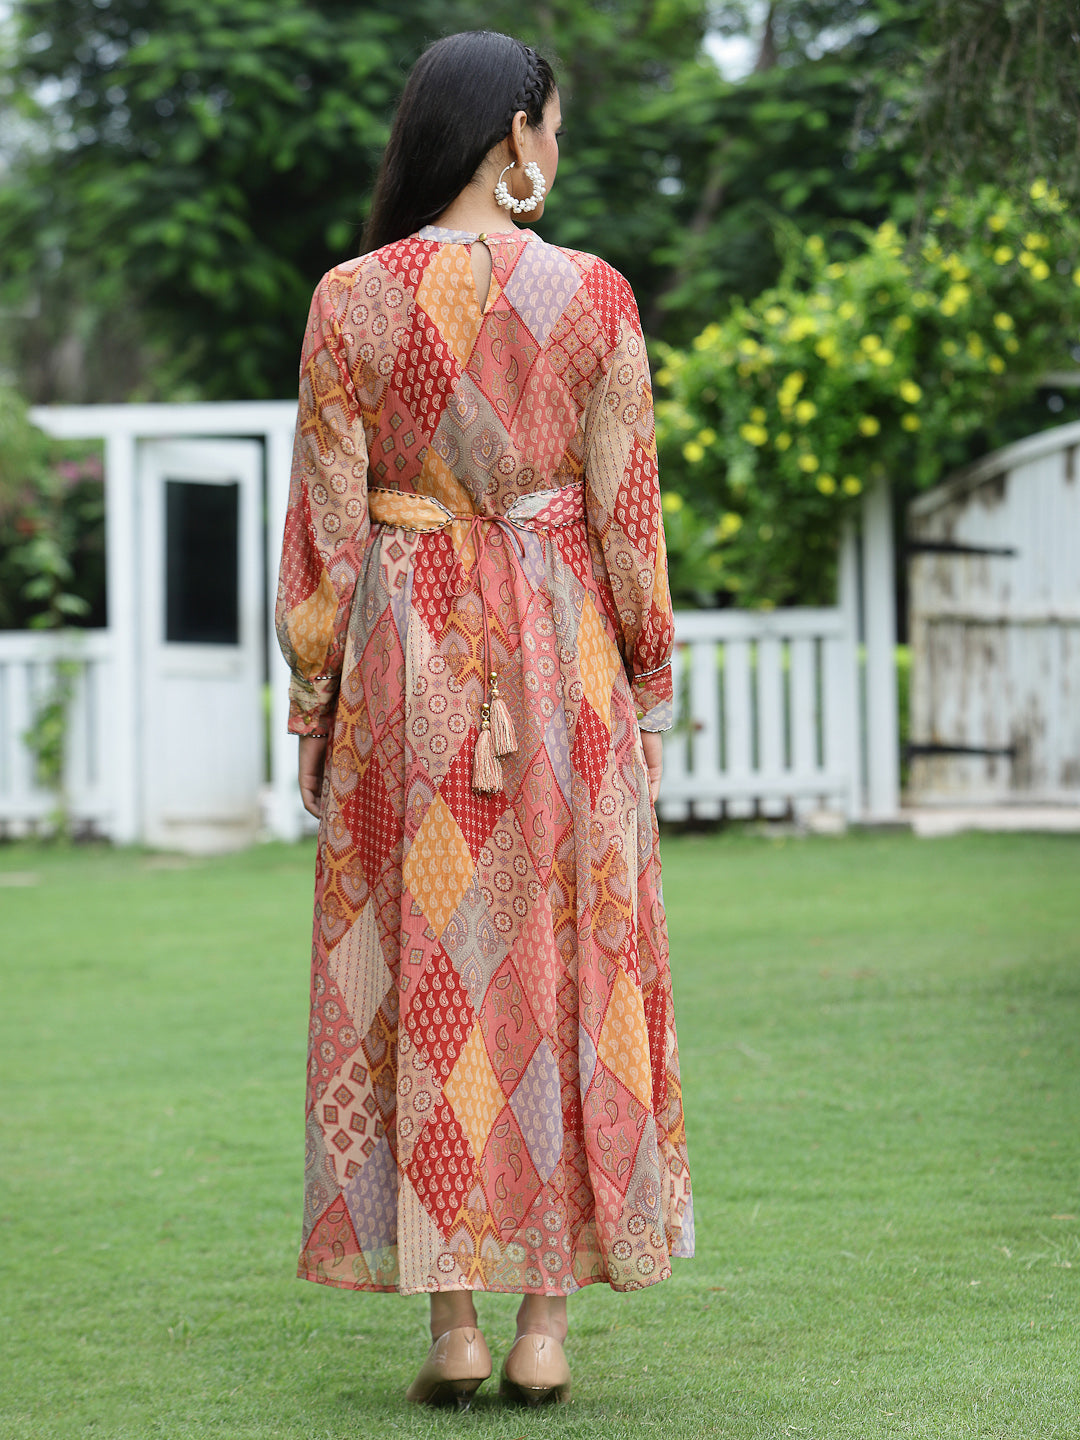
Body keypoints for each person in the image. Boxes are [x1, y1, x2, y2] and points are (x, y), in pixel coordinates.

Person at [275, 28, 693, 1410]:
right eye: (553, 127)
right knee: (570, 964)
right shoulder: (595, 296)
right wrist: (647, 686)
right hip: (561, 660)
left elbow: (326, 529)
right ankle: (544, 1331)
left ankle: (451, 1327)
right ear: (515, 133)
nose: (556, 151)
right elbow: (628, 513)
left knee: (432, 970)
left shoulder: (349, 300)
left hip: (410, 668)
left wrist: (315, 701)